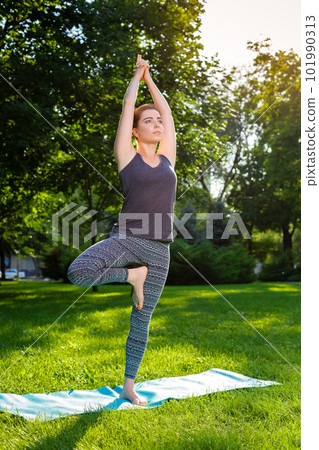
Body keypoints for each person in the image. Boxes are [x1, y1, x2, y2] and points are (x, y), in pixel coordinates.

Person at [67, 54, 177, 406]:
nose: (157, 124)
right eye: (149, 120)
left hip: (160, 250)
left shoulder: (168, 158)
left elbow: (169, 112)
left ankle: (129, 385)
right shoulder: (126, 156)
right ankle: (132, 277)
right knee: (79, 271)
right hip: (127, 240)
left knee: (141, 321)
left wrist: (151, 81)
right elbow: (128, 105)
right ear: (135, 129)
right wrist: (136, 77)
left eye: (158, 121)